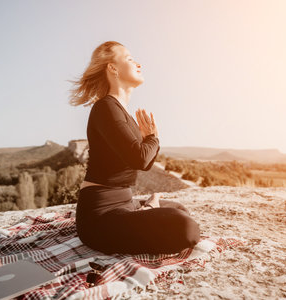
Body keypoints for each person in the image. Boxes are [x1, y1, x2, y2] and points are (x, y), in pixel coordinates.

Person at [69, 41, 200, 255]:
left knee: (179, 210)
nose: (138, 63)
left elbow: (146, 163)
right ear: (112, 68)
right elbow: (139, 158)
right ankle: (148, 207)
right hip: (100, 218)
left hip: (124, 203)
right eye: (130, 59)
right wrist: (152, 138)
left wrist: (150, 139)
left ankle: (146, 207)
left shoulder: (121, 113)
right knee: (186, 229)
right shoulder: (105, 107)